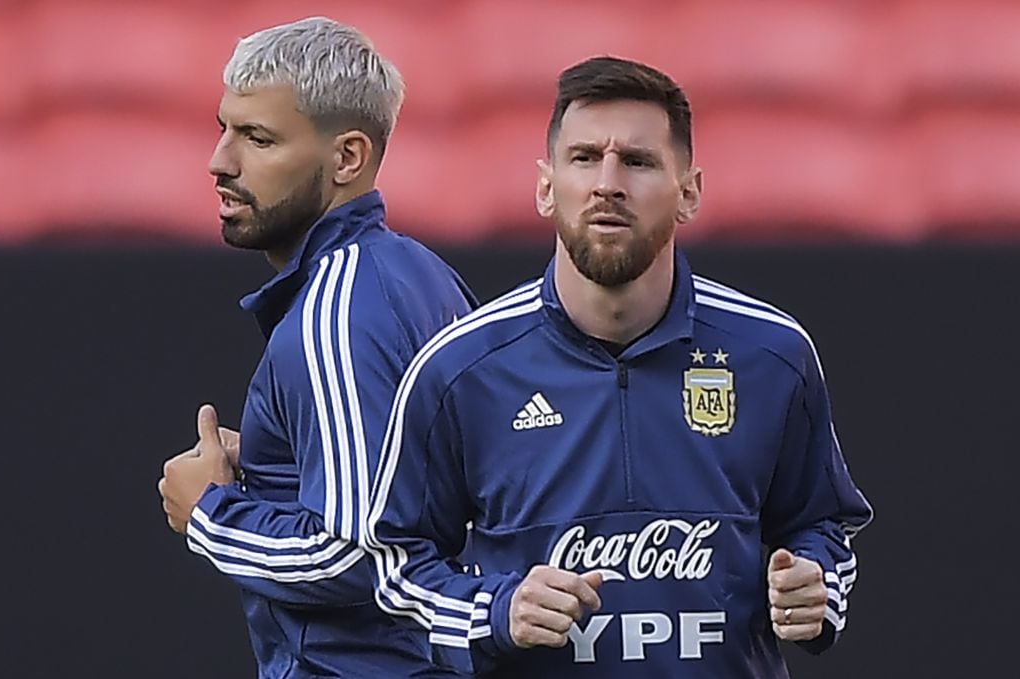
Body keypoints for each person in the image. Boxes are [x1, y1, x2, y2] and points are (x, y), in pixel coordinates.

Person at [365, 56, 873, 677]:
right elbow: (395, 568)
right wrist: (496, 611)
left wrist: (814, 587)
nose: (608, 182)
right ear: (546, 187)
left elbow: (822, 525)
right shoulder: (459, 369)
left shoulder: (772, 354)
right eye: (583, 158)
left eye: (637, 161)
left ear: (689, 193)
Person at [156, 17, 475, 678]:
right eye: (224, 127)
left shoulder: (338, 309)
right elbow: (415, 489)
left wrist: (211, 513)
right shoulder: (422, 275)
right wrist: (281, 463)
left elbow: (362, 552)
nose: (221, 160)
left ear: (348, 158)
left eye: (258, 138)